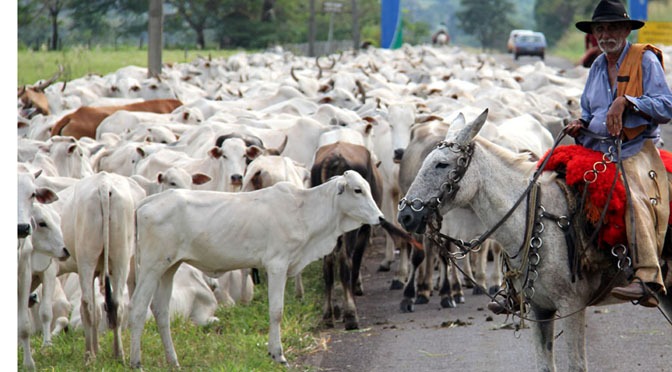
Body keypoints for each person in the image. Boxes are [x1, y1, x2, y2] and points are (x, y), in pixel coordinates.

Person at [564, 0, 672, 307]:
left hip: (636, 147)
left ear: (626, 30)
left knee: (634, 196)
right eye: (600, 28)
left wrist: (628, 102)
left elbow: (666, 106)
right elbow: (588, 110)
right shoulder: (597, 65)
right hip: (596, 146)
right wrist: (580, 123)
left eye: (612, 27)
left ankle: (649, 277)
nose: (605, 34)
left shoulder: (644, 61)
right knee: (551, 187)